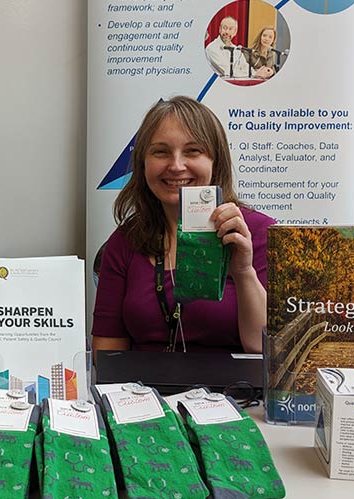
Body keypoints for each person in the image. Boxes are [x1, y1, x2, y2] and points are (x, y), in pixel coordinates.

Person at [92, 96, 275, 354]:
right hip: (143, 391)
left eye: (193, 151)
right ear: (142, 164)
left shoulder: (258, 234)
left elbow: (265, 352)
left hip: (235, 392)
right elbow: (107, 354)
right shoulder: (125, 241)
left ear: (215, 161)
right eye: (161, 152)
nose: (176, 166)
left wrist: (243, 271)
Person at [205, 17, 272, 79]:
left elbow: (245, 66)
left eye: (230, 29)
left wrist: (258, 72)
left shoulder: (236, 49)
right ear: (220, 29)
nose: (227, 32)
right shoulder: (212, 48)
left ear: (235, 32)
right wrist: (254, 74)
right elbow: (226, 71)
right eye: (225, 28)